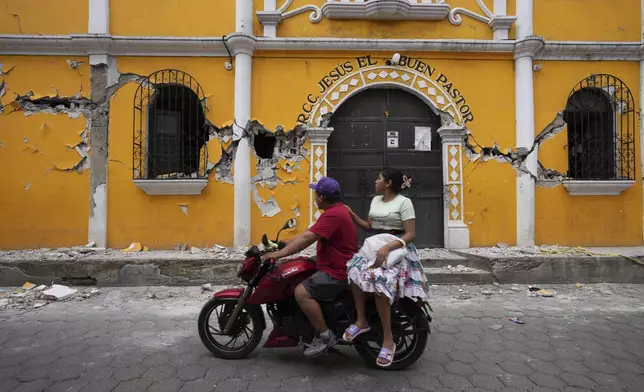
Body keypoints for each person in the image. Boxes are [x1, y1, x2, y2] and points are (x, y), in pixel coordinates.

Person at [341, 169, 429, 368]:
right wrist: (352, 214)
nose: (375, 181)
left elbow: (410, 234)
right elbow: (370, 226)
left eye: (379, 179)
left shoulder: (404, 203)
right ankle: (361, 320)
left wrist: (388, 247)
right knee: (353, 272)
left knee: (380, 282)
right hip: (375, 245)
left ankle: (388, 339)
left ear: (388, 183)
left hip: (397, 248)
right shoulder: (375, 201)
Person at [261, 176, 358, 357]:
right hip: (334, 264)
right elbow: (309, 233)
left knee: (301, 292)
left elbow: (307, 239)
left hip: (336, 271)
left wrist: (276, 255)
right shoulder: (336, 211)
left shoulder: (333, 215)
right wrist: (282, 243)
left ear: (321, 197)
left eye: (316, 193)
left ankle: (325, 336)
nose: (314, 196)